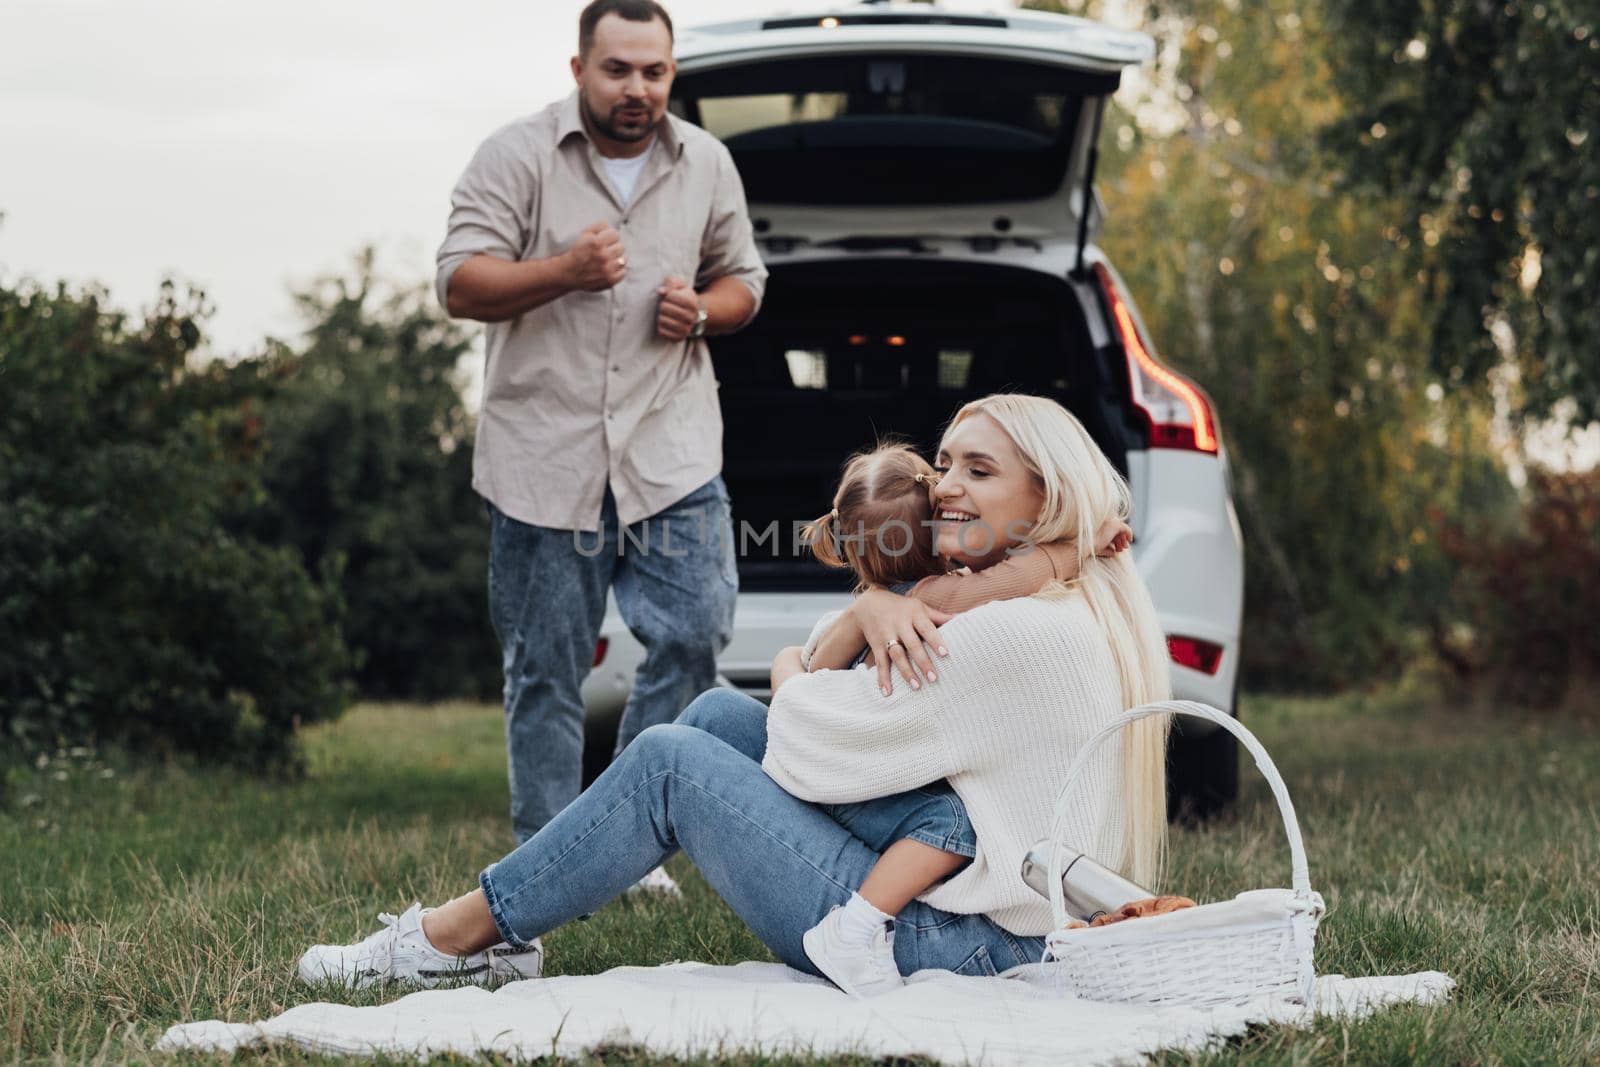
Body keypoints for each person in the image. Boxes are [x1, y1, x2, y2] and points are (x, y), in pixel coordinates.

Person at [296, 395, 1172, 995]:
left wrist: (798, 658)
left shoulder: (1005, 631)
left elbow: (810, 734)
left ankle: (450, 940)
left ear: (1042, 498)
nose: (943, 487)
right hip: (976, 904)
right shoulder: (1050, 592)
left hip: (962, 946)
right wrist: (873, 604)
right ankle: (505, 932)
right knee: (714, 714)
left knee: (674, 762)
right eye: (943, 461)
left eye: (978, 471)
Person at [433, 0, 769, 885]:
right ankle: (548, 862)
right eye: (618, 70)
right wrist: (564, 272)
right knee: (545, 671)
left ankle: (627, 835)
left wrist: (703, 309)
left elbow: (746, 280)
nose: (637, 90)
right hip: (543, 458)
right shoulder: (515, 155)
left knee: (696, 633)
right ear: (578, 68)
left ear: (671, 73)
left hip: (673, 451)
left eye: (654, 72)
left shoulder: (707, 163)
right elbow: (459, 284)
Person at [787, 441, 1131, 994]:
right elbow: (1015, 580)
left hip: (854, 760)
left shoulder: (885, 603)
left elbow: (811, 673)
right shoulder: (934, 598)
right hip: (852, 766)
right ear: (935, 520)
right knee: (952, 825)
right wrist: (1079, 546)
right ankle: (855, 929)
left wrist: (798, 667)